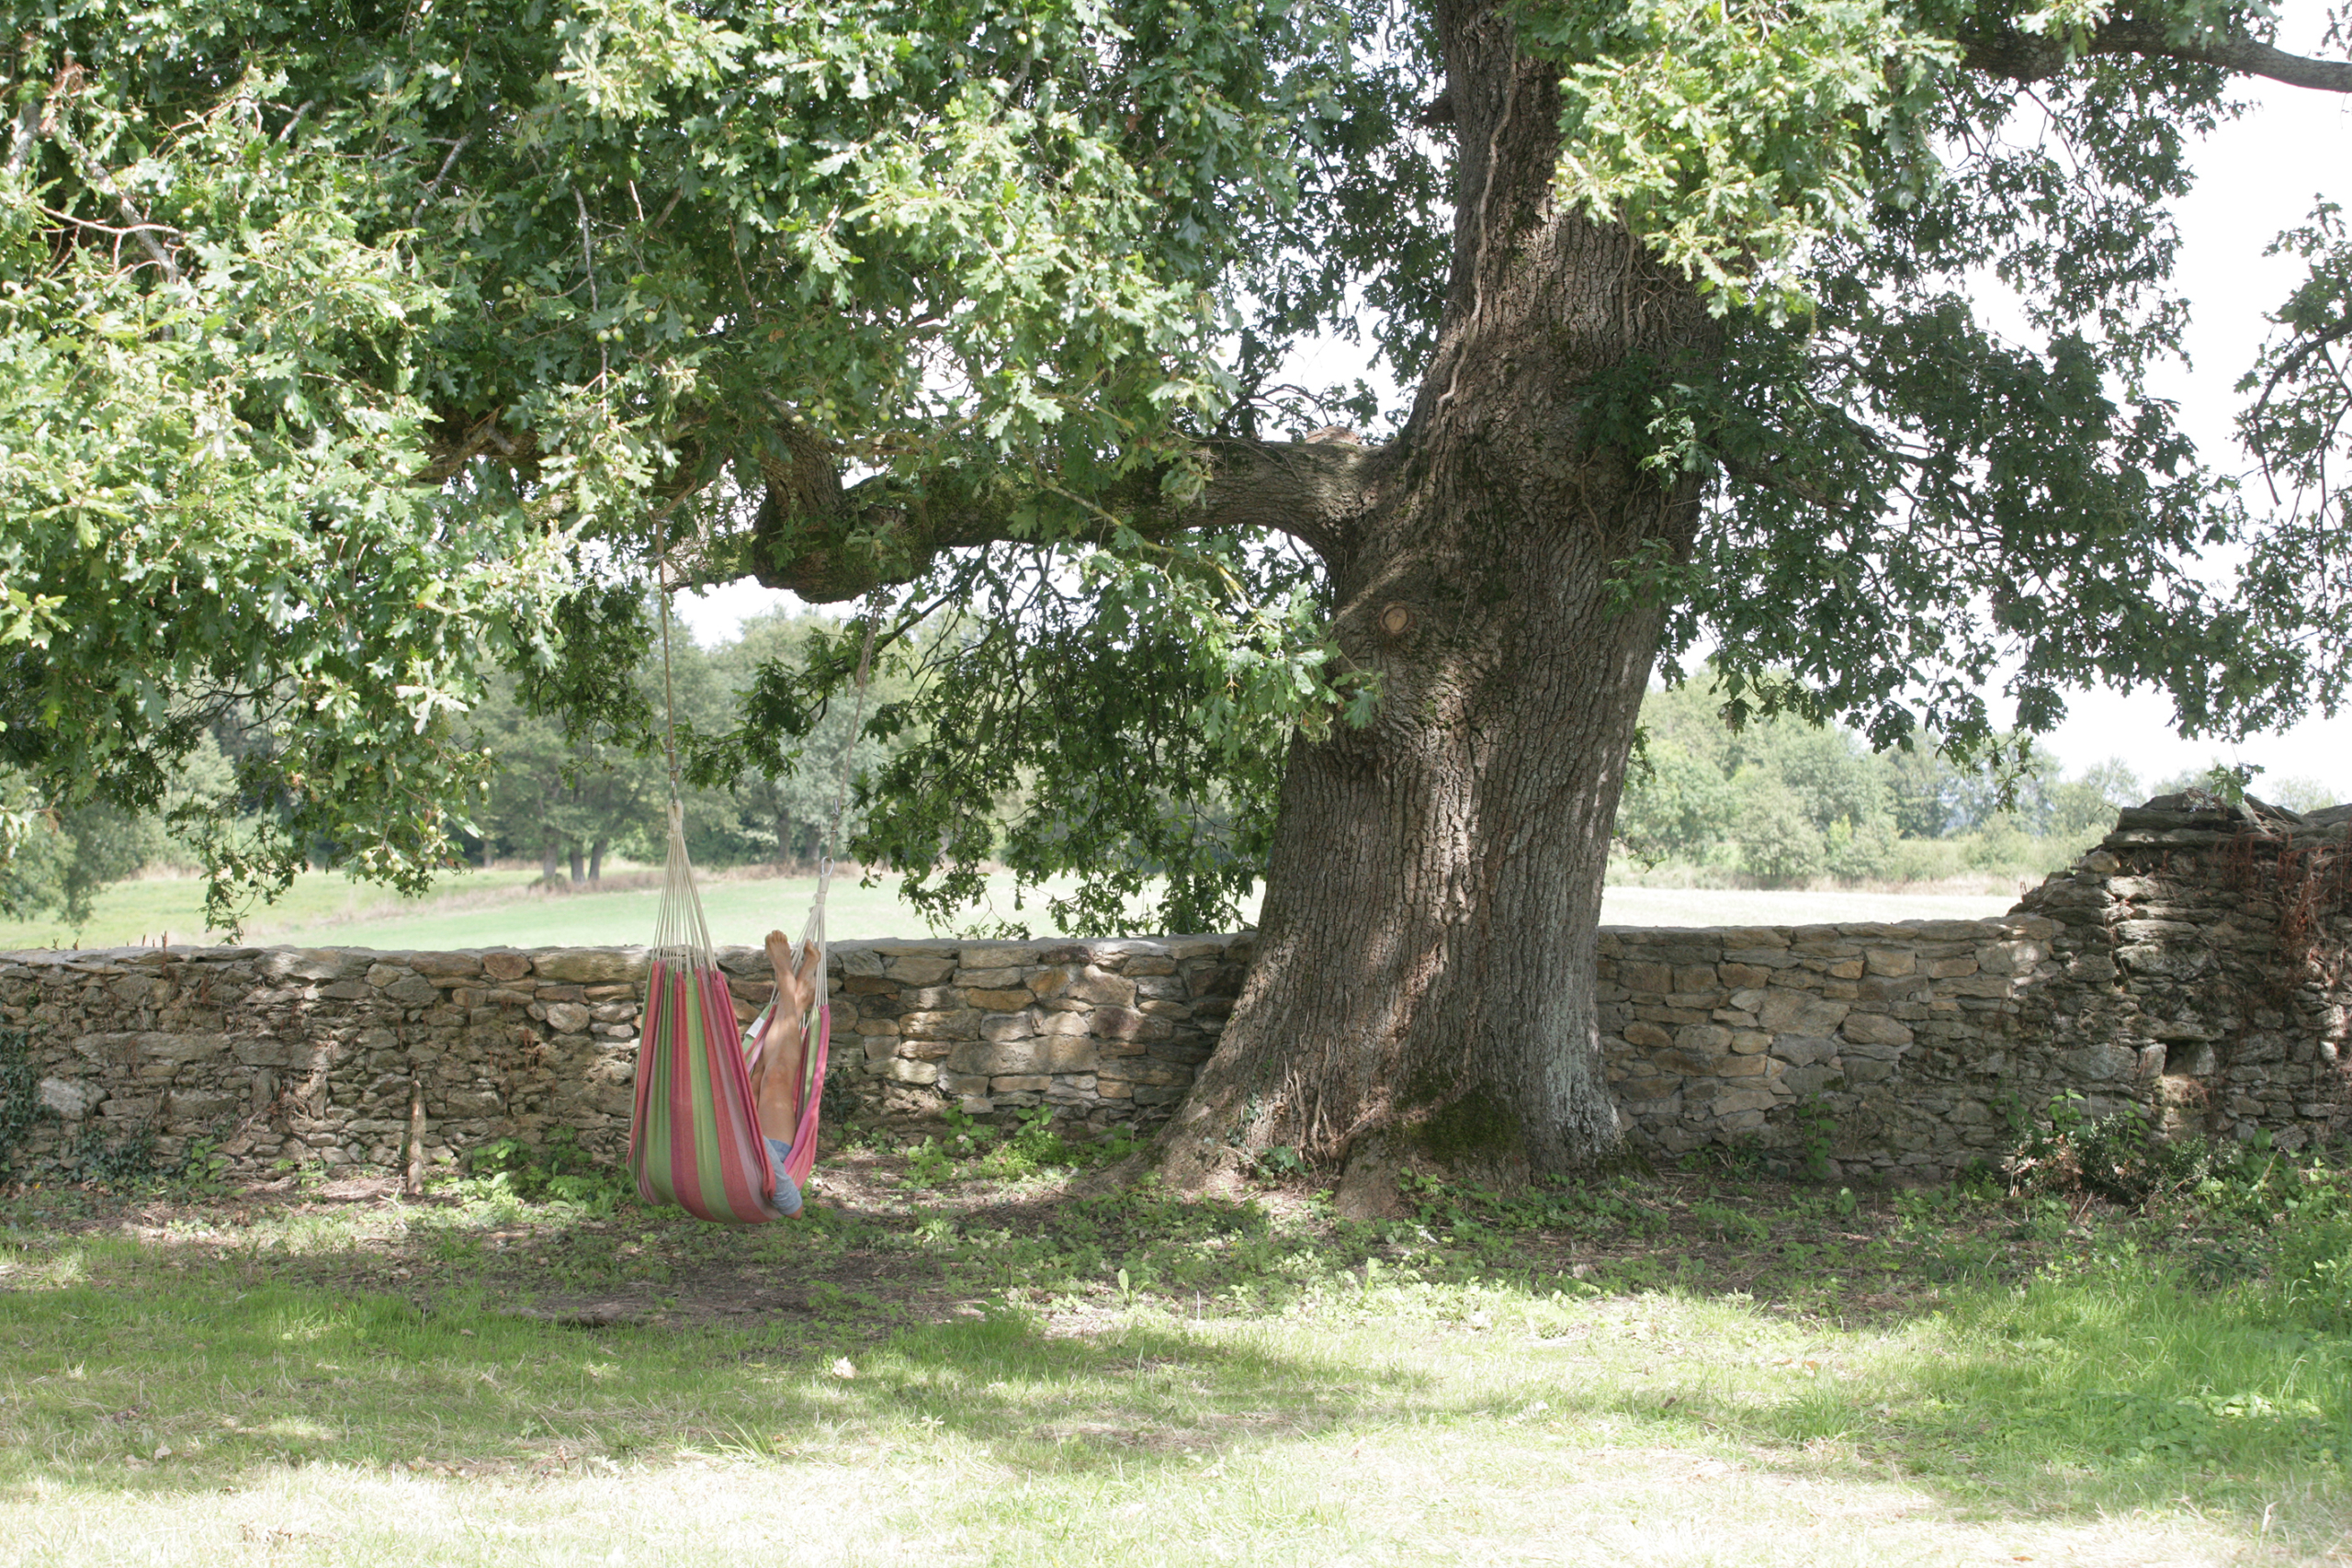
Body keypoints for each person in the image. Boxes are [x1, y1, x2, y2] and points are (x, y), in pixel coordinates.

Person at [745, 928, 820, 1217]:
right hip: (765, 1152)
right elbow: (795, 1210)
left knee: (756, 1075)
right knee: (775, 1076)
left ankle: (796, 998)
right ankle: (788, 983)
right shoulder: (764, 1157)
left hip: (737, 1135)